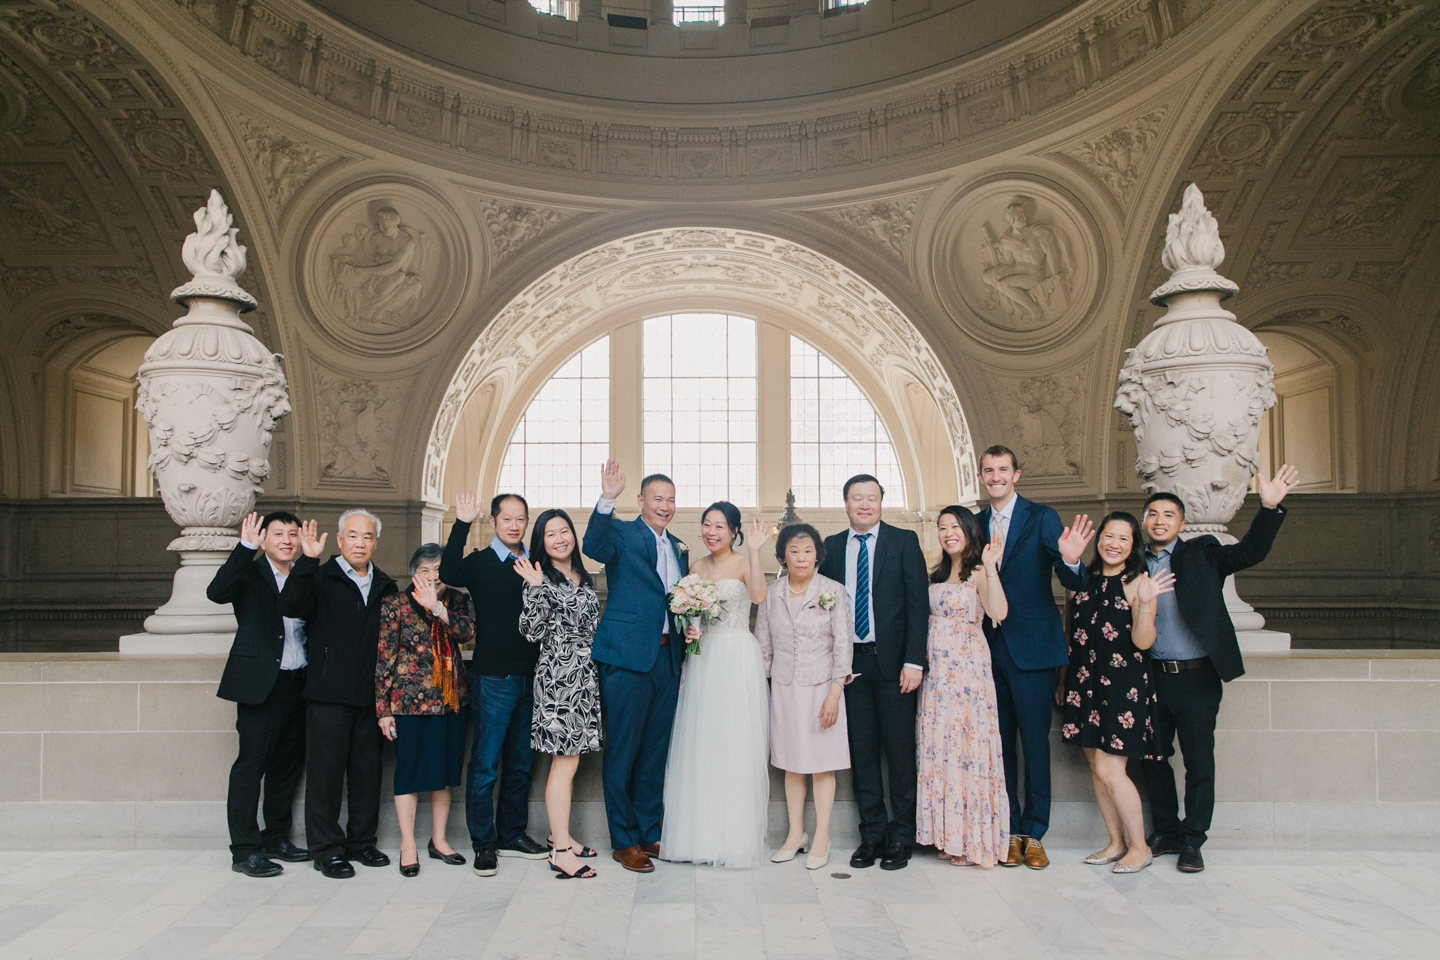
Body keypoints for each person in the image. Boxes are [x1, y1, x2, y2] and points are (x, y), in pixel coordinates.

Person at [1140, 465, 1297, 873]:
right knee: (1153, 758)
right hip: (1151, 676)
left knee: (1198, 761)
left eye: (1168, 515)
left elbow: (1250, 552)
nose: (1159, 521)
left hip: (1197, 677)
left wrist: (1269, 507)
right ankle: (1166, 831)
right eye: (1153, 514)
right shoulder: (1132, 562)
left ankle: (1193, 840)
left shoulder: (1203, 553)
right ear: (1144, 521)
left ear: (1182, 523)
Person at [975, 445, 1093, 869]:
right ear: (982, 477)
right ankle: (1007, 831)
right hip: (985, 651)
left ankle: (1035, 832)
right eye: (988, 470)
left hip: (1035, 651)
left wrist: (1073, 560)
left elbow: (1071, 581)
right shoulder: (974, 523)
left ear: (1016, 475)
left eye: (1002, 469)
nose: (995, 477)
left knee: (1034, 744)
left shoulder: (1042, 517)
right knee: (1000, 745)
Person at [581, 460, 696, 874]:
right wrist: (606, 498)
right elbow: (593, 547)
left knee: (654, 752)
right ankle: (624, 839)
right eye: (657, 498)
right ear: (641, 501)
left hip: (667, 660)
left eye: (670, 499)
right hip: (626, 658)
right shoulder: (623, 534)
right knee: (623, 751)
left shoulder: (680, 546)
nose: (664, 506)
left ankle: (650, 831)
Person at [817, 474, 929, 871]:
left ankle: (901, 836)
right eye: (856, 498)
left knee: (899, 753)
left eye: (871, 498)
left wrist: (914, 661)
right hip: (851, 666)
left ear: (882, 501)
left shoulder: (903, 542)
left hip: (896, 664)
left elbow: (918, 606)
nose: (864, 505)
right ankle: (871, 836)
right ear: (845, 503)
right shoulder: (830, 548)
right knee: (862, 754)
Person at [279, 509, 398, 879]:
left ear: (375, 542)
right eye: (352, 536)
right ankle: (327, 850)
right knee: (325, 776)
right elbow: (290, 606)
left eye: (367, 537)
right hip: (327, 694)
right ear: (340, 539)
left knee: (367, 773)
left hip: (370, 697)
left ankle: (361, 842)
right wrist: (307, 561)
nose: (359, 543)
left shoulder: (386, 586)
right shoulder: (319, 575)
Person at [440, 491, 549, 878]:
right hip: (493, 677)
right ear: (494, 522)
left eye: (521, 519)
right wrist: (461, 523)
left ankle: (512, 834)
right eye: (507, 519)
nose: (515, 525)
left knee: (521, 764)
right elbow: (448, 572)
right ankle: (483, 843)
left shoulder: (537, 563)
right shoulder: (481, 563)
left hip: (533, 676)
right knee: (486, 764)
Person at [1057, 512, 1173, 874]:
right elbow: (1069, 636)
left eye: (1123, 539)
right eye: (1108, 536)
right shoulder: (1083, 581)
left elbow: (1143, 641)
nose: (1113, 544)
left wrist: (1145, 602)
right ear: (1099, 540)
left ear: (1133, 546)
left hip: (1122, 689)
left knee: (1110, 767)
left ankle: (1140, 847)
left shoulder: (1138, 582)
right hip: (1084, 683)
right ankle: (1116, 841)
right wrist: (1063, 682)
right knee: (1095, 763)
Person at [661, 504, 771, 868]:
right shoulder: (695, 568)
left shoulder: (743, 562)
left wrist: (755, 552)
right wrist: (694, 628)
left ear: (734, 530)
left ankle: (734, 840)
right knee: (703, 742)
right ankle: (701, 837)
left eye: (720, 526)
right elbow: (695, 618)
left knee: (735, 744)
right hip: (704, 657)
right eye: (706, 524)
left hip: (737, 656)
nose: (712, 531)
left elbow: (757, 597)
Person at [210, 510, 310, 878]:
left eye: (293, 534)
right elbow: (216, 592)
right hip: (259, 685)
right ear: (265, 538)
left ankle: (276, 838)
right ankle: (244, 850)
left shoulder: (304, 575)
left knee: (286, 768)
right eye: (279, 533)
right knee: (250, 768)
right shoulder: (250, 573)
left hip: (299, 683)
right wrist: (243, 548)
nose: (287, 540)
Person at [915, 506, 1010, 868]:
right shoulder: (936, 573)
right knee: (941, 748)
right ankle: (947, 834)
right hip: (937, 676)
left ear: (970, 530)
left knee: (967, 748)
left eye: (955, 526)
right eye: (942, 527)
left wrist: (992, 568)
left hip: (967, 675)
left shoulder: (979, 572)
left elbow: (999, 612)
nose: (948, 532)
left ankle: (972, 840)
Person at [756, 523, 851, 871]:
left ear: (818, 556)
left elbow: (843, 645)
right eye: (794, 550)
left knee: (822, 764)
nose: (801, 557)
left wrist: (835, 692)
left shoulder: (833, 591)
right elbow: (763, 646)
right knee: (791, 764)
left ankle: (822, 835)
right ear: (783, 555)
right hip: (783, 688)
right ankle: (796, 834)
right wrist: (758, 690)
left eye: (808, 550)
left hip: (821, 689)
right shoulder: (771, 592)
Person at [376, 544, 475, 877]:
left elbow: (467, 633)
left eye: (438, 571)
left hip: (450, 701)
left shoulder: (456, 600)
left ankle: (440, 840)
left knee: (444, 773)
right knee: (409, 772)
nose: (432, 577)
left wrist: (438, 609)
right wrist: (383, 709)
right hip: (409, 703)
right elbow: (384, 658)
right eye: (425, 571)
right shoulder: (395, 605)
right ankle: (407, 844)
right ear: (413, 572)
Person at [515, 509, 604, 880]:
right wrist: (536, 588)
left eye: (564, 531)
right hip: (559, 680)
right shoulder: (539, 577)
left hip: (584, 678)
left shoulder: (582, 576)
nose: (559, 538)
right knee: (563, 762)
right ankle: (561, 852)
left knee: (572, 760)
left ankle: (559, 834)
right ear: (542, 542)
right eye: (550, 534)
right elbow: (531, 631)